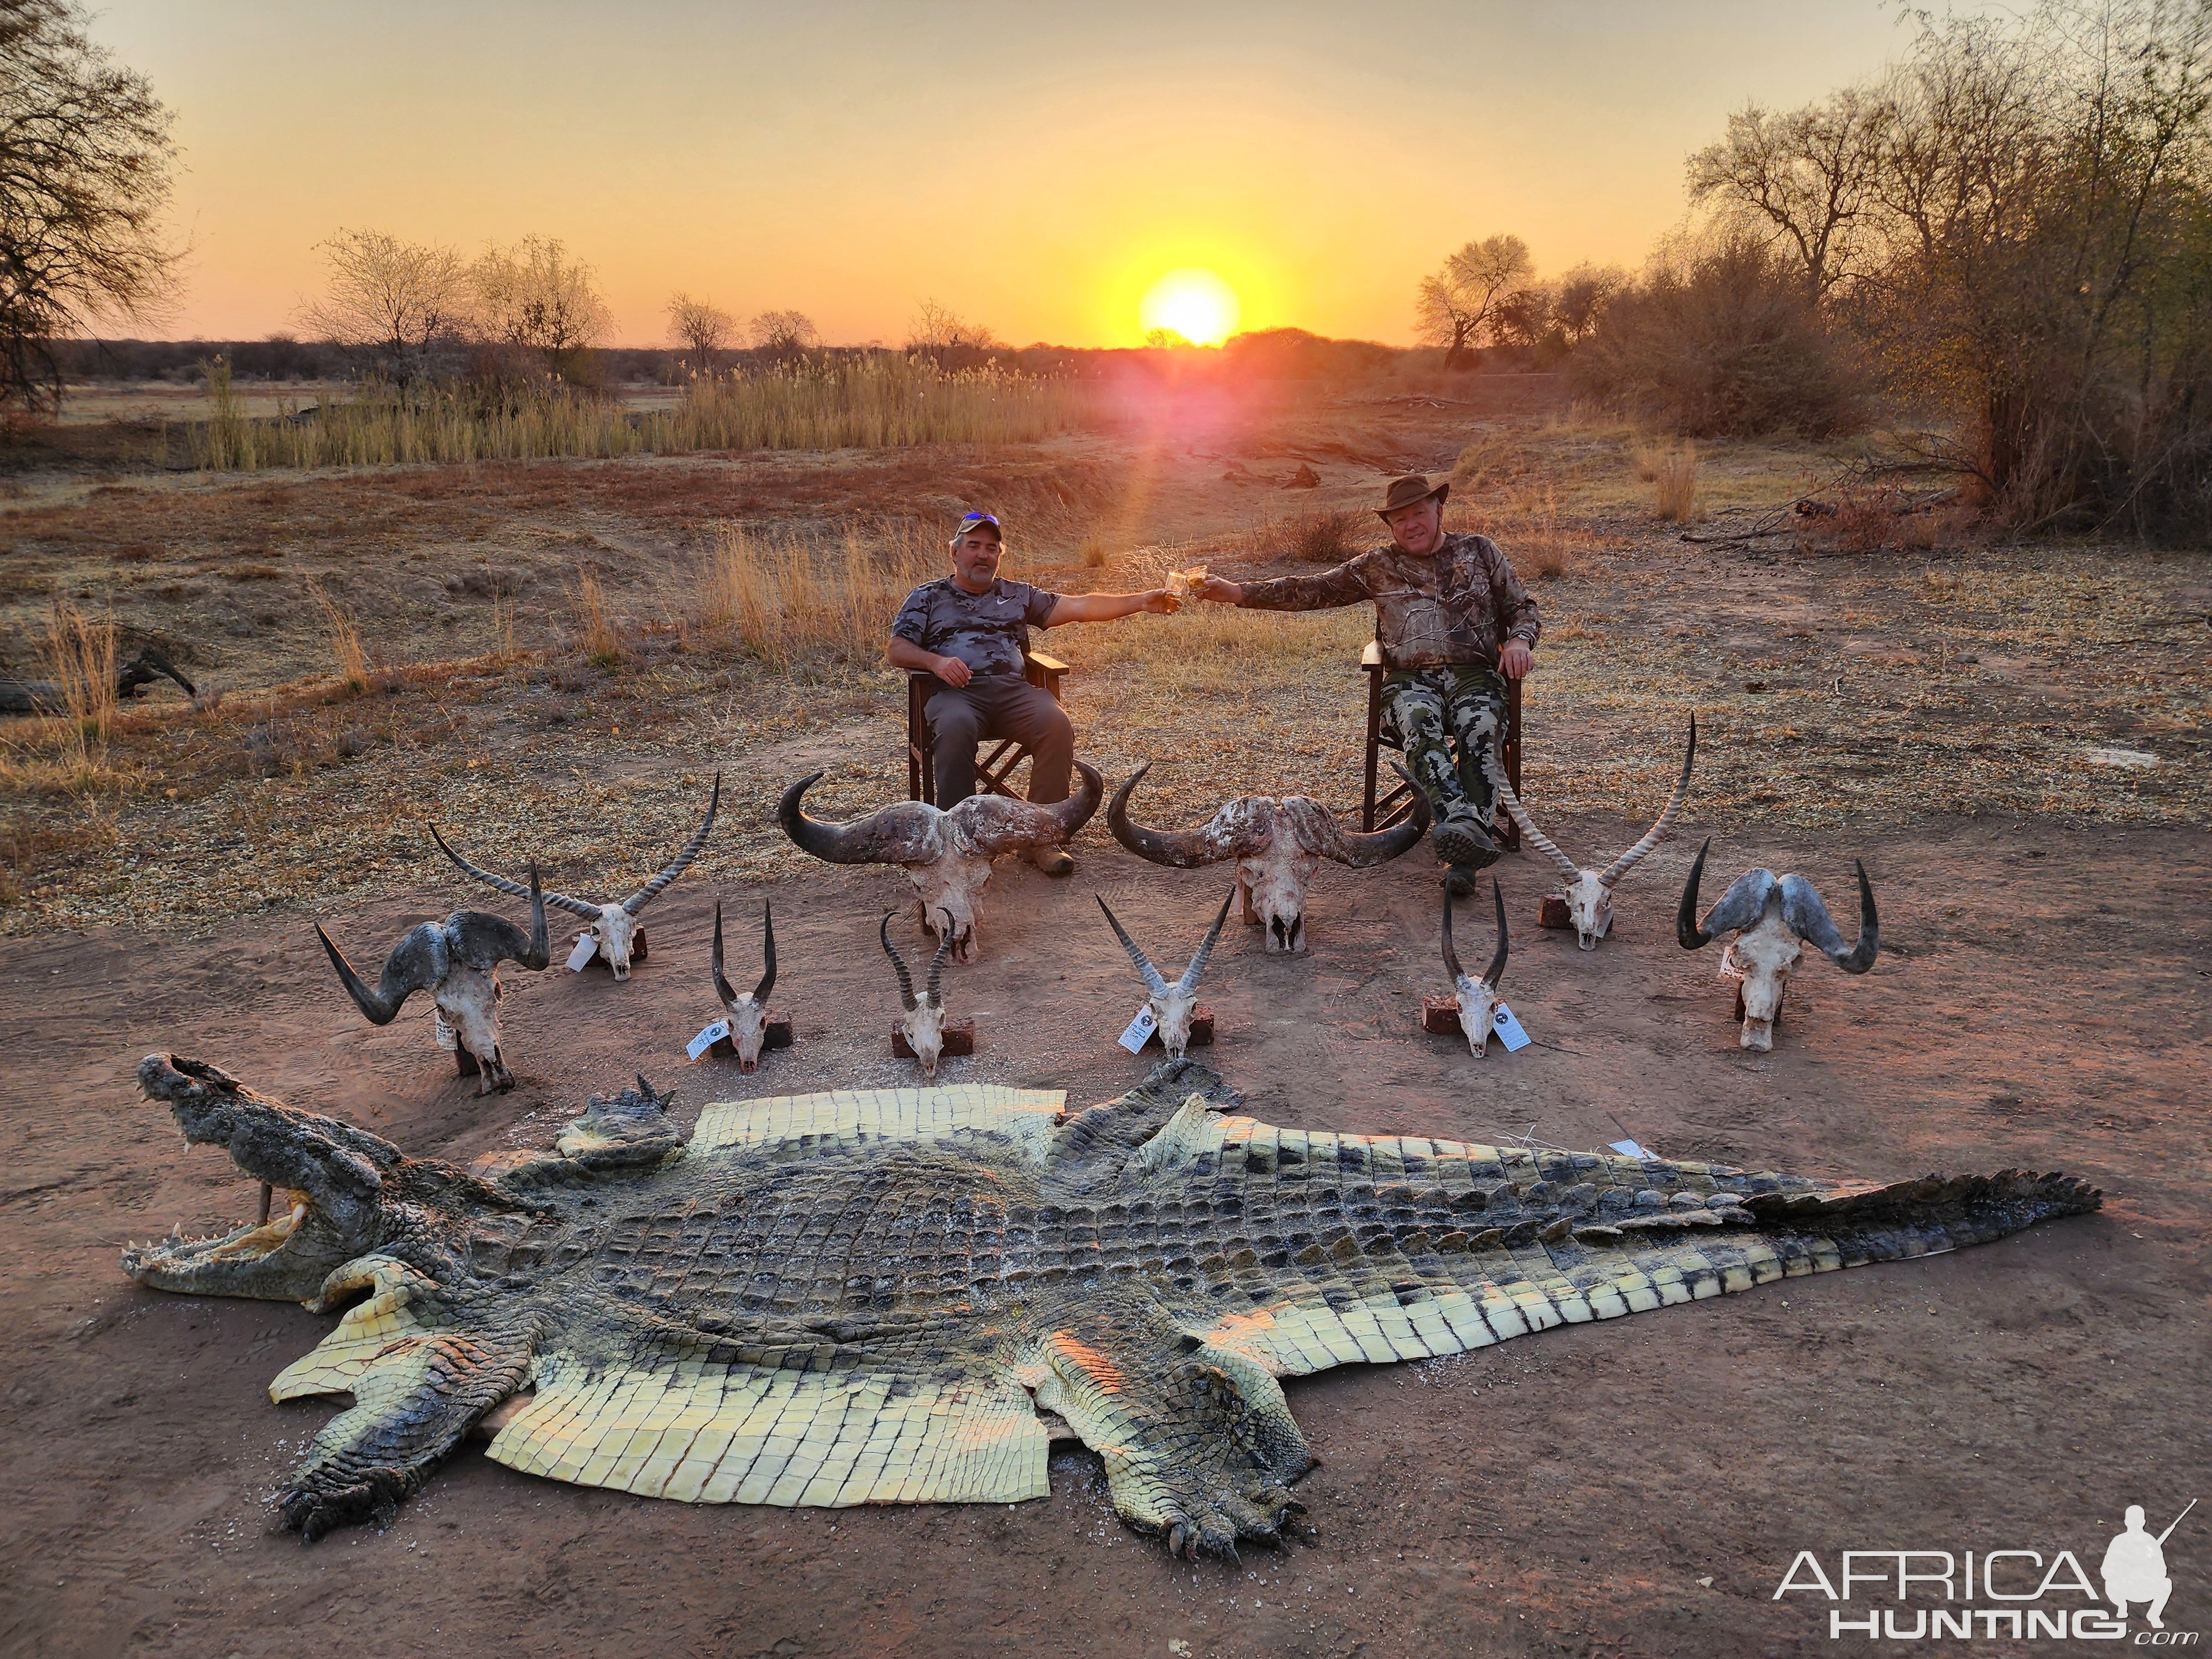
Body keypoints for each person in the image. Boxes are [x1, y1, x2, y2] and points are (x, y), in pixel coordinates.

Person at [1196, 473, 1539, 889]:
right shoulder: (1379, 565)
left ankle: (1461, 851)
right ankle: (1466, 828)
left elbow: (1522, 607)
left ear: (1439, 511)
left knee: (1481, 728)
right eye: (1400, 520)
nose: (1411, 525)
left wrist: (1520, 639)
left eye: (1419, 513)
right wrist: (1239, 593)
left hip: (1476, 675)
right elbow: (1313, 589)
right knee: (1417, 722)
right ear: (1391, 527)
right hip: (1411, 680)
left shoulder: (1480, 551)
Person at [888, 510, 1175, 876]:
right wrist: (935, 663)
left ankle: (1040, 837)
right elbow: (898, 648)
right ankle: (960, 842)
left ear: (999, 556)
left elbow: (1080, 606)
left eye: (992, 549)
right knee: (956, 726)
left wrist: (1140, 601)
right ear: (954, 552)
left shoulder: (1017, 595)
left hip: (1013, 693)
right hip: (956, 694)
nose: (982, 555)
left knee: (1055, 722)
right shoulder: (928, 596)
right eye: (973, 546)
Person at [2101, 1505, 2176, 1629]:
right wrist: (2123, 1571)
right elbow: (2106, 1570)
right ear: (2126, 1522)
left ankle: (2154, 1615)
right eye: (2132, 1521)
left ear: (2143, 1522)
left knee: (2167, 1583)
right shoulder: (2118, 1541)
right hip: (2122, 1588)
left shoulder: (2151, 1542)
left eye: (2137, 1521)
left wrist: (2146, 1570)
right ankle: (2122, 1605)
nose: (2135, 1524)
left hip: (2145, 1588)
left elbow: (2162, 1571)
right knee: (2109, 1583)